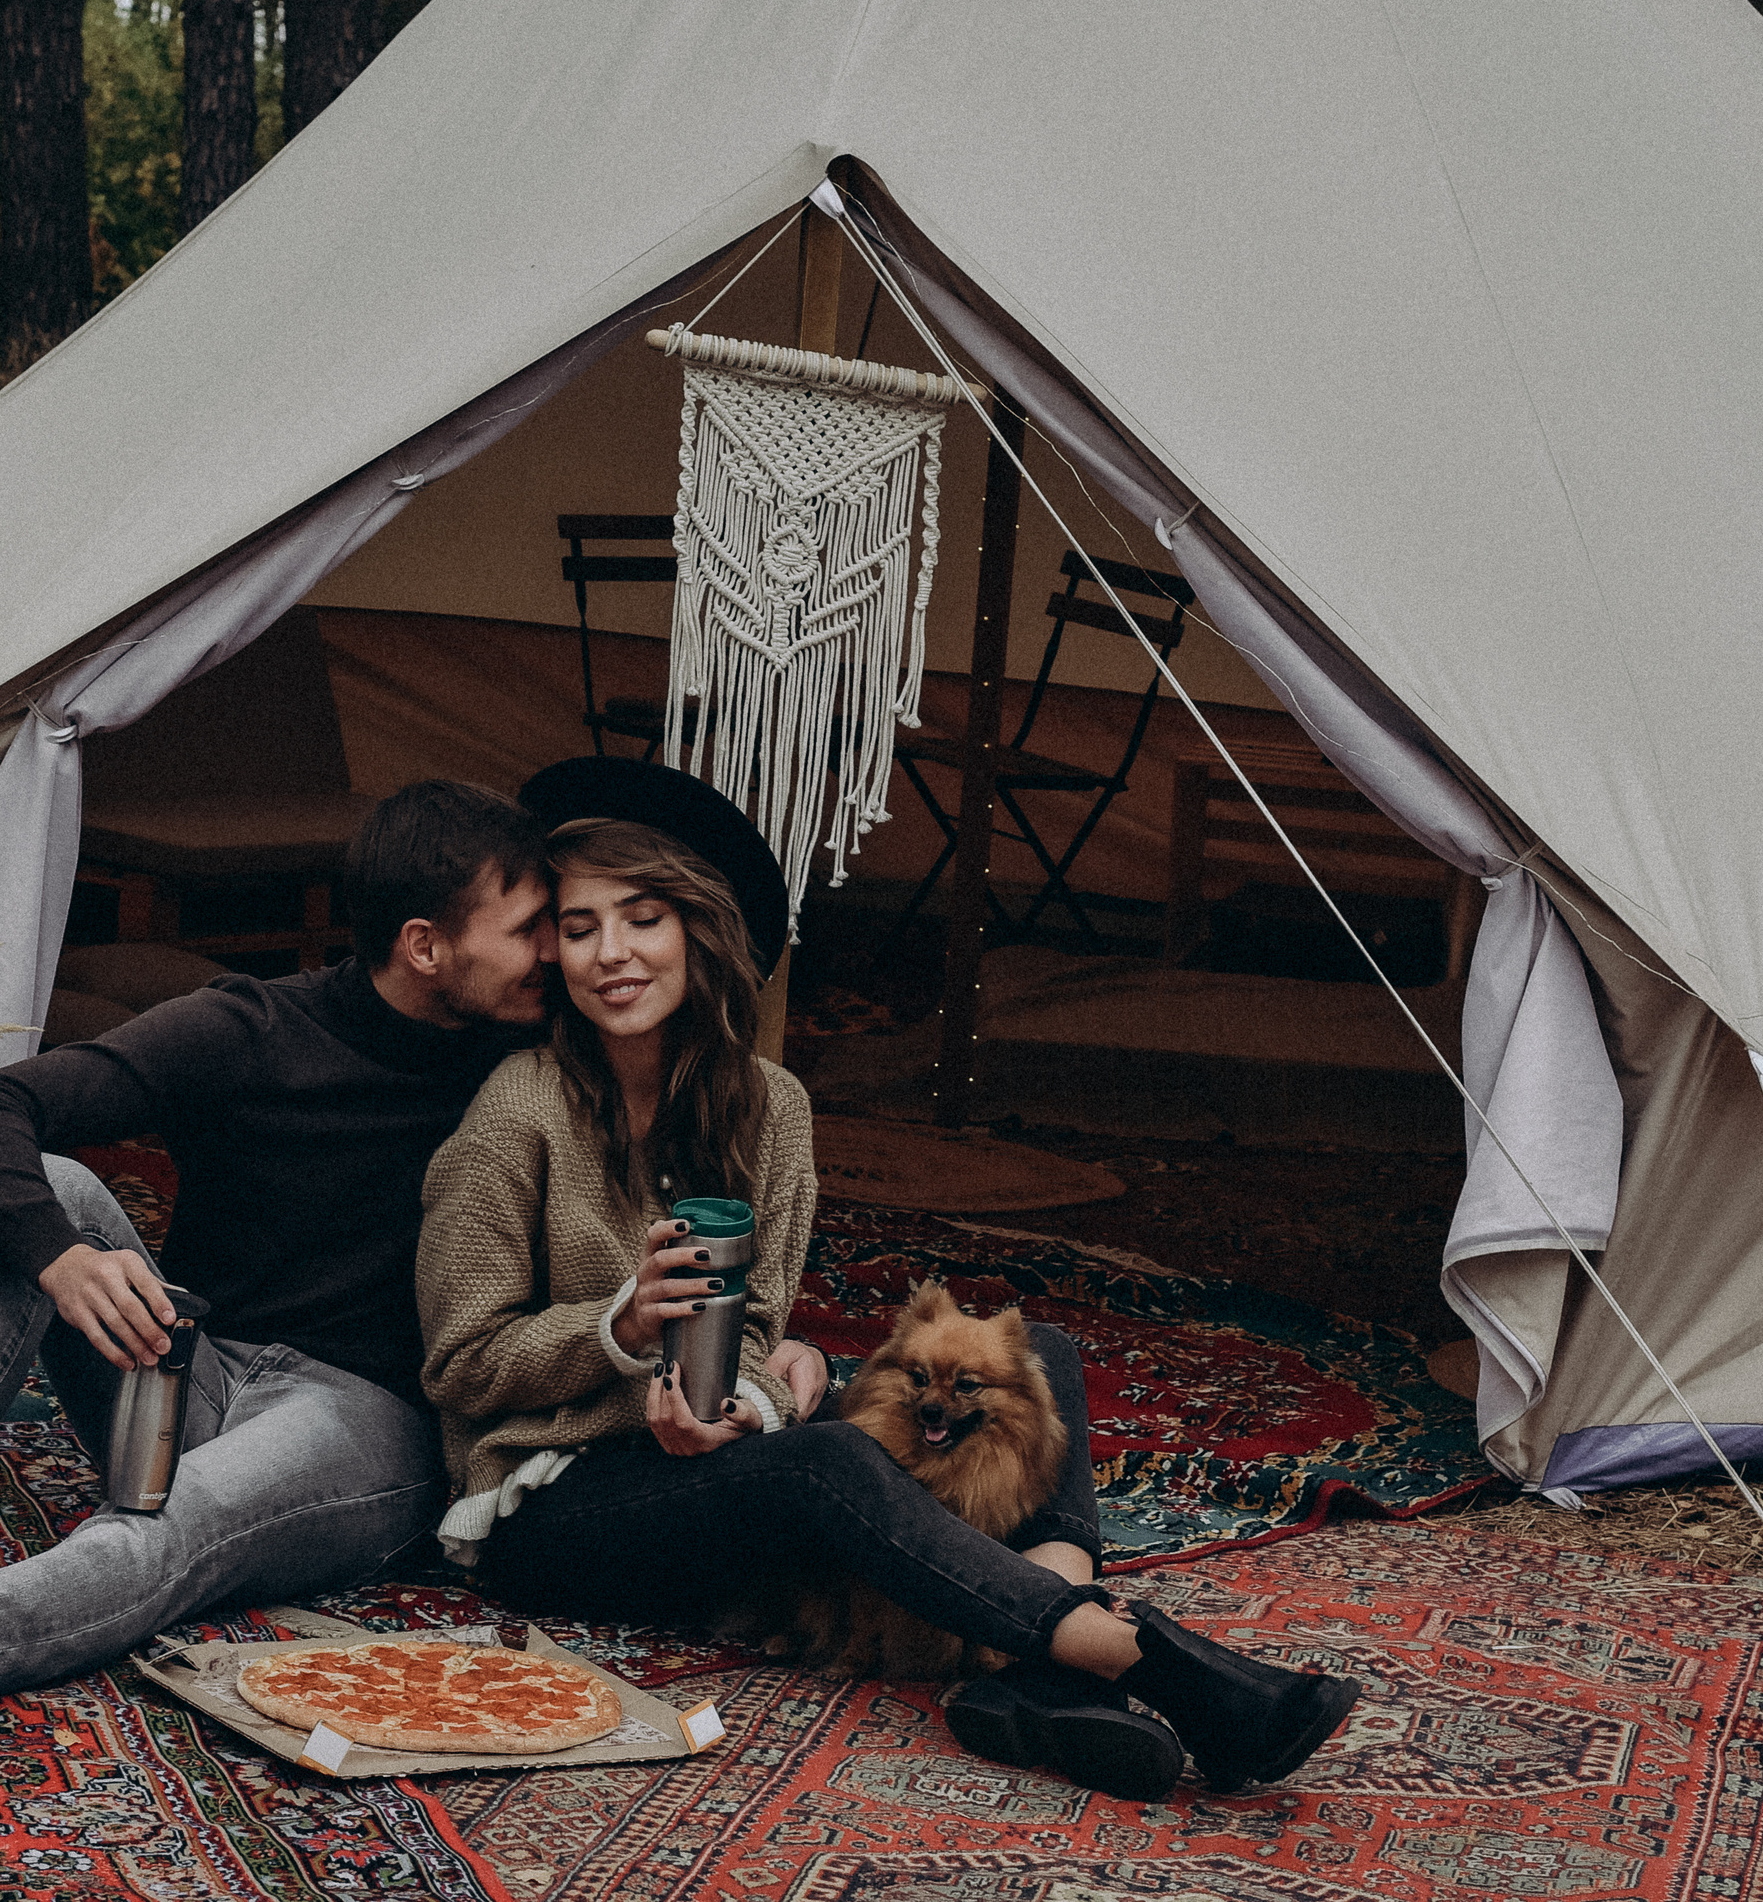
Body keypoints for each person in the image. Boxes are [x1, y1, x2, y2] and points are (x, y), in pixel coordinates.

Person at [415, 758, 1361, 1800]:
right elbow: (459, 1365)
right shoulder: (520, 1109)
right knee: (822, 1467)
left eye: (642, 916)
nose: (611, 954)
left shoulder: (768, 1106)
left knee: (1032, 1354)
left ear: (697, 926)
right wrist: (624, 1325)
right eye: (581, 925)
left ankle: (1037, 1671)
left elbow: (762, 1328)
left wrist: (744, 1408)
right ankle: (1139, 1661)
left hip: (711, 1474)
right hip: (553, 1508)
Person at [0, 780, 565, 1741]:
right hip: (194, 1370)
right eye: (530, 930)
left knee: (175, 1520)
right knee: (48, 1186)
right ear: (424, 945)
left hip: (366, 1423)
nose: (557, 953)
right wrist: (61, 1260)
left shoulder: (539, 1056)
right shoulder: (251, 1031)